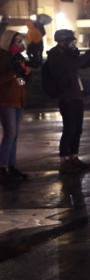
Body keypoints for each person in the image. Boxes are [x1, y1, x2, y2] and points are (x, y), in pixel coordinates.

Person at [43, 29, 90, 173]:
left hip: (76, 95)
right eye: (71, 41)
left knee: (77, 129)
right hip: (66, 97)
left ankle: (74, 157)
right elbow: (75, 64)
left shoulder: (69, 54)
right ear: (62, 42)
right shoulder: (56, 56)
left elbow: (84, 64)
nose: (73, 44)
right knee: (69, 129)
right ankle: (64, 160)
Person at [0, 32, 31, 180]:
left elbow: (21, 81)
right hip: (6, 101)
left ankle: (11, 166)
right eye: (16, 41)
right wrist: (13, 73)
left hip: (18, 100)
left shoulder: (19, 58)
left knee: (15, 135)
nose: (19, 44)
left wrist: (25, 75)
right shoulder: (2, 56)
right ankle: (3, 166)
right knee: (10, 133)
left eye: (21, 41)